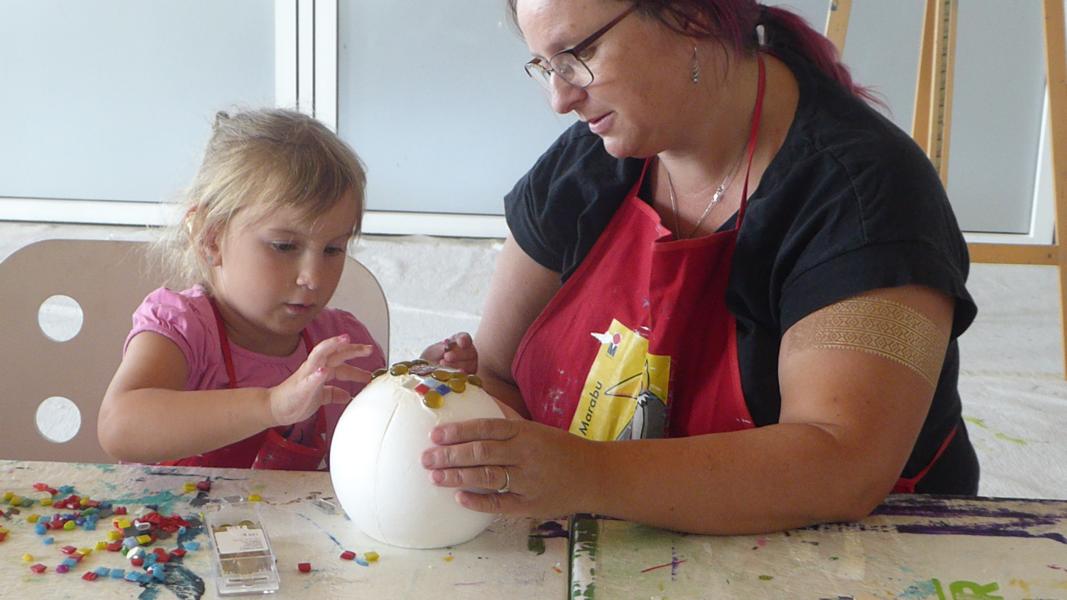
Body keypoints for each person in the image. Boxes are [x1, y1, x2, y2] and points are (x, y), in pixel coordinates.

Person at [418, 0, 980, 534]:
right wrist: (459, 406)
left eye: (579, 54)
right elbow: (497, 372)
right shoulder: (584, 168)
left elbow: (840, 464)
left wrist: (586, 473)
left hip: (853, 557)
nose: (560, 99)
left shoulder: (867, 196)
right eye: (546, 66)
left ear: (690, 16)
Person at [99, 108, 476, 470]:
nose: (313, 277)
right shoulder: (183, 327)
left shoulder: (340, 347)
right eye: (284, 246)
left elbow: (381, 443)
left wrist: (421, 385)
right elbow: (119, 427)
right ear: (211, 238)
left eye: (333, 249)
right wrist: (271, 406)